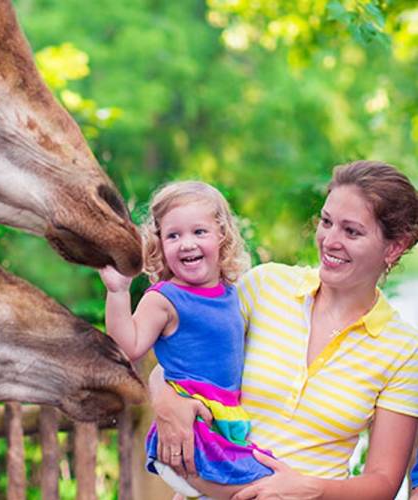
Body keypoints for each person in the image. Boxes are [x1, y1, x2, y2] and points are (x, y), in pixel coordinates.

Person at [149, 160, 418, 499]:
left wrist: (311, 489)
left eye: (352, 231)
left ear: (394, 247)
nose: (330, 241)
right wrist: (164, 398)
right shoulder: (265, 286)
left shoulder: (402, 349)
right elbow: (180, 363)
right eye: (327, 222)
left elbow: (383, 482)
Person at [99, 181, 274, 497]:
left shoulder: (231, 294)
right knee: (264, 490)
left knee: (268, 477)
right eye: (173, 235)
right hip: (193, 431)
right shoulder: (165, 298)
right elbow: (128, 347)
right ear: (160, 244)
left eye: (199, 232)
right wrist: (118, 292)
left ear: (222, 236)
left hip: (226, 422)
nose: (186, 244)